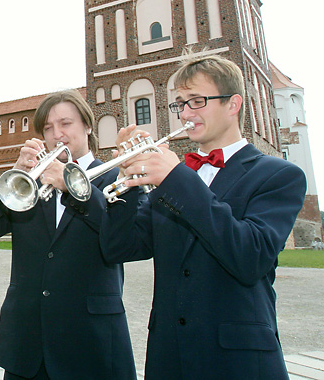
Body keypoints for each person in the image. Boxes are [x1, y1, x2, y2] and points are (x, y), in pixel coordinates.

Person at [100, 53, 307, 380]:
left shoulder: (279, 175)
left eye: (197, 101)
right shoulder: (174, 179)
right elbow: (120, 248)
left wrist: (176, 178)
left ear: (233, 104)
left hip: (238, 361)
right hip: (171, 357)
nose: (185, 113)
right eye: (180, 103)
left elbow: (250, 257)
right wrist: (129, 180)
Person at [0, 89, 136, 380]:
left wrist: (75, 189)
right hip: (28, 345)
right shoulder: (30, 181)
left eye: (65, 124)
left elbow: (124, 241)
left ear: (87, 125)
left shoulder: (115, 177)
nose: (56, 134)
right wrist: (15, 171)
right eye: (47, 128)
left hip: (91, 343)